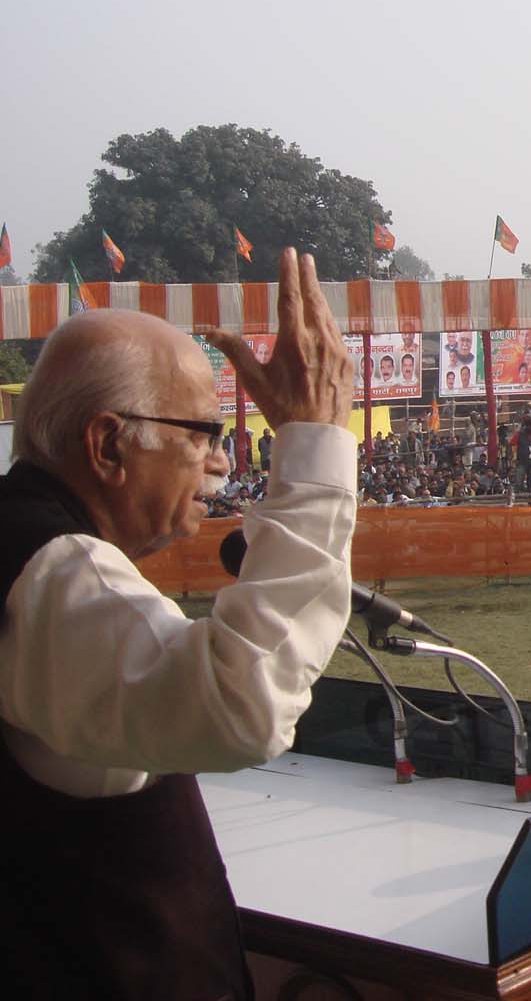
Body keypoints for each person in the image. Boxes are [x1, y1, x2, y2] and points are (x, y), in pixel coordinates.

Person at [0, 248, 356, 999]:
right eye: (202, 434)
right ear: (107, 445)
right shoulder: (55, 571)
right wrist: (317, 441)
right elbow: (242, 702)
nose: (222, 465)